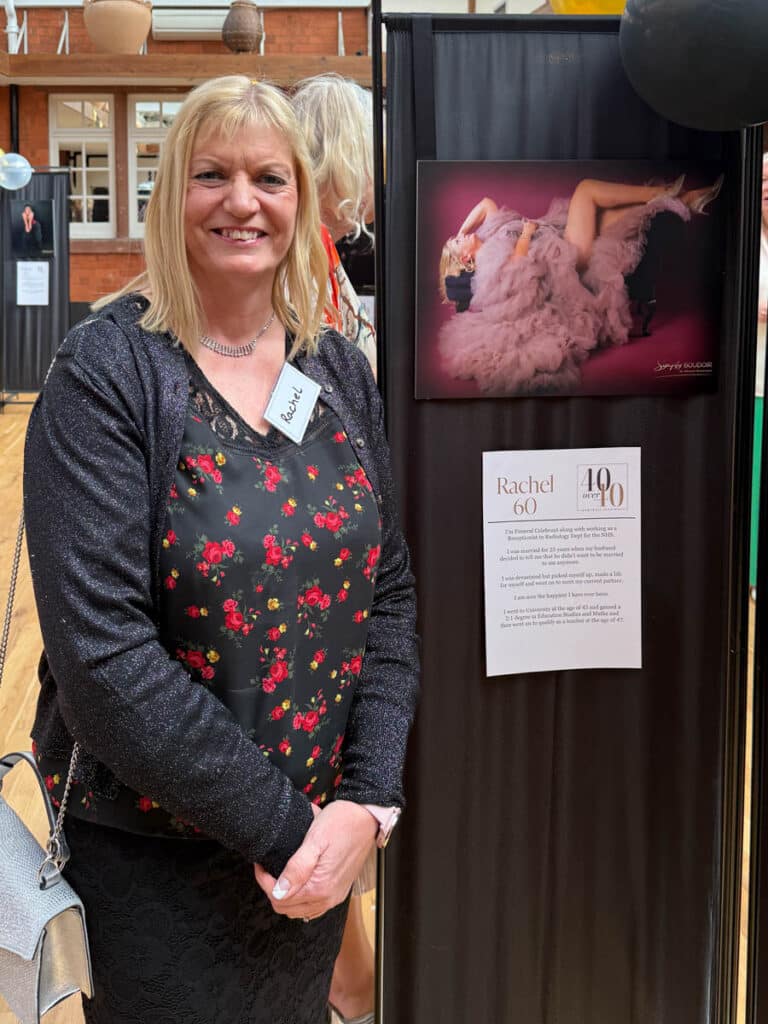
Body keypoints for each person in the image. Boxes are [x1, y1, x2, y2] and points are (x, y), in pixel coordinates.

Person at [23, 75, 418, 1024]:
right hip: (153, 863)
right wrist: (290, 831)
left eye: (269, 178)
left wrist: (366, 805)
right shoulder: (109, 373)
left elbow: (391, 596)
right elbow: (104, 662)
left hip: (316, 855)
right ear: (171, 197)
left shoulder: (335, 369)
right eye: (212, 174)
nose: (243, 201)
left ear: (302, 200)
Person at [437, 174, 724, 395]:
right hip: (567, 259)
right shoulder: (486, 261)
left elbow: (485, 203)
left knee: (614, 215)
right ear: (465, 256)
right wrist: (526, 233)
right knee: (586, 190)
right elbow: (518, 270)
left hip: (560, 239)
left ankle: (685, 200)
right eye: (460, 241)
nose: (463, 234)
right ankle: (666, 193)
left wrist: (460, 232)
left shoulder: (486, 233)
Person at [293, 73, 376, 375]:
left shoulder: (318, 248)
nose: (384, 176)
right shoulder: (295, 261)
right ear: (345, 160)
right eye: (375, 158)